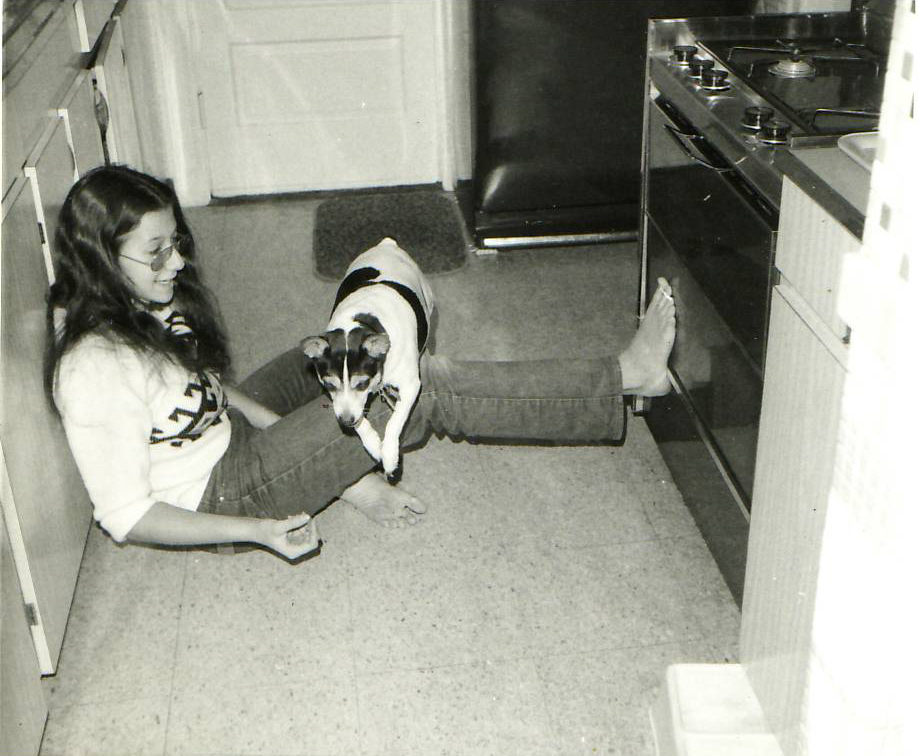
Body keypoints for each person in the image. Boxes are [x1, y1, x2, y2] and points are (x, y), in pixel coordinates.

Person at [45, 166, 676, 562]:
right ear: (101, 259)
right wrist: (257, 529)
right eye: (155, 253)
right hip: (227, 490)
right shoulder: (94, 369)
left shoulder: (135, 308)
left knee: (329, 356)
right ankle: (625, 375)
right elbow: (127, 517)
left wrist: (306, 448)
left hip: (228, 436)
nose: (177, 265)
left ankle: (340, 469)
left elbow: (209, 390)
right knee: (421, 392)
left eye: (176, 244)